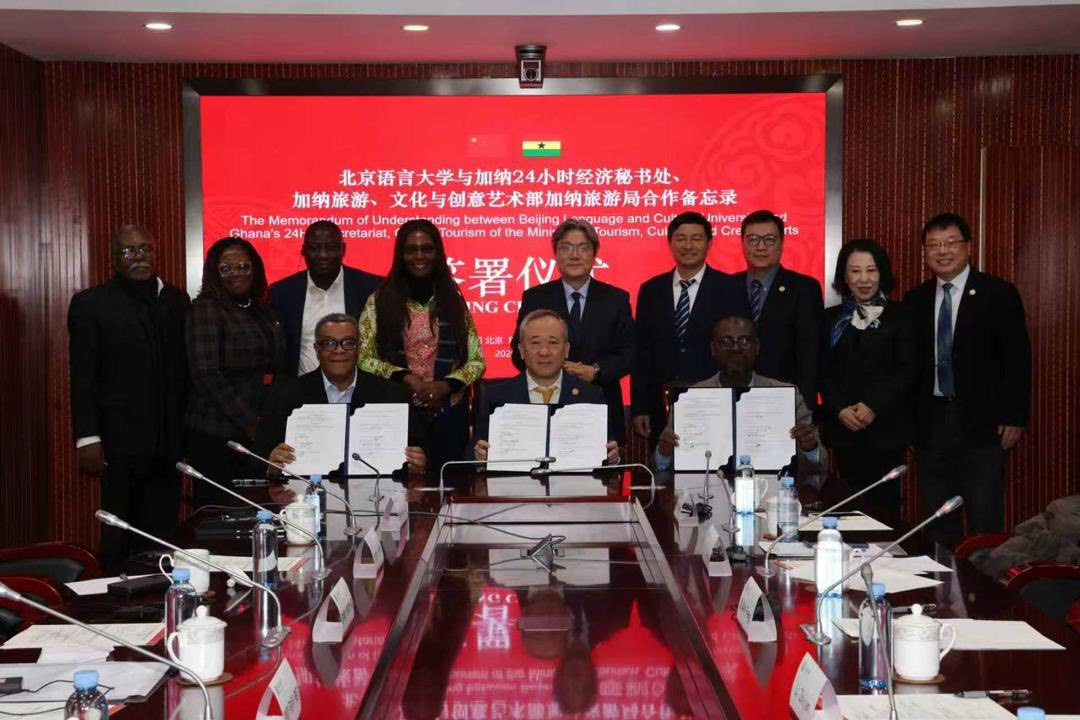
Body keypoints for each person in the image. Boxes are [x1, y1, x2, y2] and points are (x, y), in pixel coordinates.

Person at [904, 213, 1032, 547]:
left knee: (984, 518)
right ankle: (941, 579)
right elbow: (910, 367)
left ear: (968, 247)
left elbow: (1017, 359)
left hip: (983, 424)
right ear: (924, 253)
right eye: (934, 244)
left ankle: (984, 581)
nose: (942, 251)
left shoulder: (998, 293)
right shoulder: (915, 300)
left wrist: (1015, 416)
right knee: (938, 519)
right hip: (931, 424)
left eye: (951, 243)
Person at [67, 225, 190, 570]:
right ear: (114, 260)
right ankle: (114, 596)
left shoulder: (177, 301)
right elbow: (83, 376)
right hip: (118, 442)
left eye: (145, 249)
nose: (139, 257)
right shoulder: (91, 304)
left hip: (168, 442)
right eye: (128, 251)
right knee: (118, 535)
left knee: (161, 536)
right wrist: (87, 438)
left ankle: (157, 594)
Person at [357, 219, 485, 472]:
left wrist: (443, 386)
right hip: (395, 414)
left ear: (437, 254)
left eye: (427, 249)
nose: (419, 256)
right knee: (401, 488)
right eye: (411, 250)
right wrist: (409, 379)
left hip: (449, 414)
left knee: (451, 487)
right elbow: (363, 358)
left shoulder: (453, 300)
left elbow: (477, 361)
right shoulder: (379, 301)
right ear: (400, 255)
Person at [255, 313, 426, 481]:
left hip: (378, 494)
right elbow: (257, 456)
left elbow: (422, 452)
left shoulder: (393, 394)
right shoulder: (284, 394)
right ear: (317, 350)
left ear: (359, 348)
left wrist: (418, 463)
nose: (339, 350)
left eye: (348, 343)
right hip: (304, 494)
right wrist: (270, 463)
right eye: (329, 343)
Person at [654, 315, 825, 481]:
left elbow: (821, 462)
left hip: (772, 491)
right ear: (713, 349)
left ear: (757, 347)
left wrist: (810, 448)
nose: (736, 348)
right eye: (726, 341)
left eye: (744, 340)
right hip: (703, 491)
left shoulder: (786, 394)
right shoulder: (690, 397)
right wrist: (664, 452)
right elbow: (659, 467)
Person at [511, 218, 634, 445]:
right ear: (556, 254)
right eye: (566, 248)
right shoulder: (535, 297)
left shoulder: (616, 299)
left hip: (601, 403)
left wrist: (595, 371)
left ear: (594, 254)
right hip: (546, 406)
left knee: (604, 466)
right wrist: (555, 367)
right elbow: (517, 351)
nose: (574, 255)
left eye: (582, 248)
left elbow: (629, 353)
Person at [631, 211, 747, 445]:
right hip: (661, 406)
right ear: (670, 243)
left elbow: (740, 351)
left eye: (696, 238)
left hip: (716, 401)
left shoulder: (730, 287)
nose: (688, 245)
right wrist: (640, 406)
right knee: (664, 465)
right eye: (681, 238)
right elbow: (642, 351)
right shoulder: (651, 290)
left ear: (709, 243)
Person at [185, 236, 285, 507]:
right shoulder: (206, 308)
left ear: (255, 269)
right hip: (217, 434)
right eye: (226, 268)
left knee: (260, 510)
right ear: (213, 272)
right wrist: (251, 423)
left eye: (243, 266)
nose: (236, 273)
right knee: (220, 514)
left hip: (257, 431)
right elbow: (206, 374)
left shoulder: (261, 308)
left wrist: (267, 421)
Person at [821, 239, 916, 509]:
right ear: (844, 276)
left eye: (871, 270)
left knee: (885, 507)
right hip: (844, 428)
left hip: (887, 428)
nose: (864, 279)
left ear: (881, 273)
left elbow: (909, 369)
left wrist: (874, 405)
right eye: (855, 271)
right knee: (848, 505)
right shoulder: (831, 319)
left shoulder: (903, 316)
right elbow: (822, 370)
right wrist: (839, 409)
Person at [474, 309, 619, 463]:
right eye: (535, 343)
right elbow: (471, 457)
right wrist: (478, 457)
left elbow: (607, 457)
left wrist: (612, 458)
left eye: (553, 343)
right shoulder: (496, 396)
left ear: (567, 350)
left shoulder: (591, 396)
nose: (544, 352)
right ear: (521, 350)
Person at [735, 209, 824, 412]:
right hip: (733, 397)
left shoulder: (804, 288)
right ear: (742, 243)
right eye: (753, 239)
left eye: (769, 239)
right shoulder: (727, 285)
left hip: (784, 398)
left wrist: (805, 408)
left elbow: (809, 353)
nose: (761, 247)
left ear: (782, 243)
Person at [270, 220, 382, 377]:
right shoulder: (281, 293)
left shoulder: (372, 288)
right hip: (299, 388)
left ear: (343, 249)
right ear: (303, 251)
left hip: (361, 387)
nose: (323, 255)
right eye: (314, 248)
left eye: (331, 248)